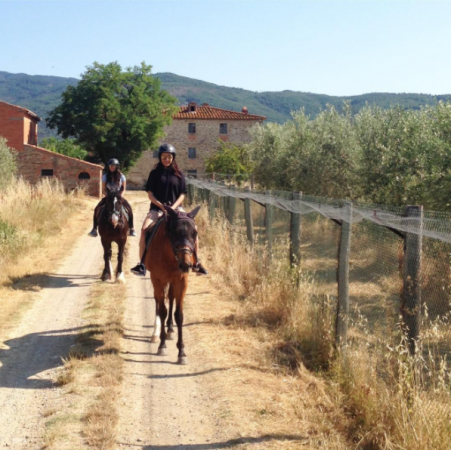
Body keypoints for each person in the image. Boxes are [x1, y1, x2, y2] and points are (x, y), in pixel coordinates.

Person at [130, 143, 207, 275]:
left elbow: (182, 194)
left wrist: (172, 208)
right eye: (164, 157)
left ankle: (196, 263)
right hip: (157, 209)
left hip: (176, 209)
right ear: (160, 157)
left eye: (169, 157)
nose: (167, 159)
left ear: (173, 158)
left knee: (194, 229)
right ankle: (142, 263)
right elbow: (150, 194)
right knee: (144, 230)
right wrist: (162, 206)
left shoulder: (179, 175)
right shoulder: (154, 174)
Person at [88, 158, 136, 237]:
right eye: (110, 166)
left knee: (129, 208)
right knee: (97, 208)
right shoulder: (105, 176)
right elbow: (103, 189)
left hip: (118, 197)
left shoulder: (122, 176)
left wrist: (120, 196)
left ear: (117, 166)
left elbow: (123, 188)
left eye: (113, 166)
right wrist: (107, 196)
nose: (111, 167)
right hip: (109, 197)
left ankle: (132, 228)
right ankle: (94, 229)